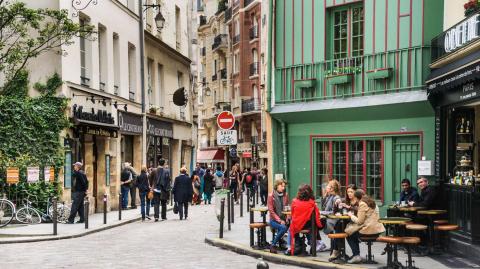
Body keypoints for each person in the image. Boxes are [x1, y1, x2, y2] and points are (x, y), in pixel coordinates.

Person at [345, 190, 385, 264]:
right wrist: (352, 208)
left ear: (357, 198)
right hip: (377, 230)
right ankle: (356, 254)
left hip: (369, 231)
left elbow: (360, 221)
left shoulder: (362, 204)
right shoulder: (371, 202)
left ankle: (356, 255)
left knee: (349, 234)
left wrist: (351, 215)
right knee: (353, 233)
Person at [287, 184, 322, 256]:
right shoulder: (312, 203)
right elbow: (317, 215)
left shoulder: (294, 201)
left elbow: (292, 214)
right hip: (308, 226)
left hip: (296, 226)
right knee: (313, 226)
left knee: (291, 227)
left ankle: (296, 245)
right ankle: (312, 244)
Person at [268, 179, 289, 253]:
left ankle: (285, 244)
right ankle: (273, 245)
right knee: (283, 228)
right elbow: (271, 211)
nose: (283, 188)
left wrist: (287, 217)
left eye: (284, 186)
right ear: (277, 186)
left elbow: (286, 208)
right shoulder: (271, 196)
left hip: (283, 219)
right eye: (281, 186)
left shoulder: (285, 195)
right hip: (273, 220)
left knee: (291, 225)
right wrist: (279, 220)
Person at [321, 180, 342, 253]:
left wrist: (322, 212)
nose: (326, 187)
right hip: (328, 219)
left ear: (332, 188)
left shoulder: (335, 197)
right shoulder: (329, 196)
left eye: (328, 185)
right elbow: (324, 207)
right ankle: (318, 244)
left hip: (333, 221)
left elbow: (334, 210)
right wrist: (324, 196)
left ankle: (317, 245)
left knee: (314, 226)